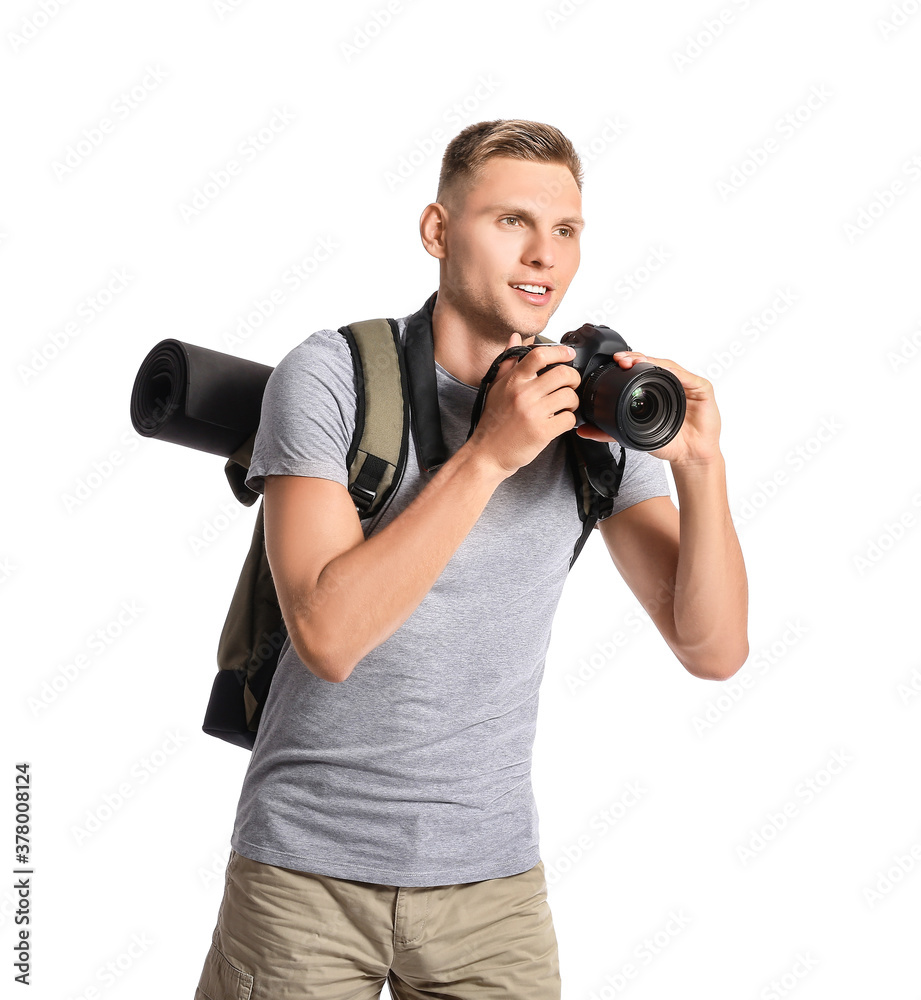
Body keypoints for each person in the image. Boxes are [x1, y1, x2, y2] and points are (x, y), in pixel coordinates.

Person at [193, 119, 748, 1000]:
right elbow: (329, 636)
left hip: (491, 888)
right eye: (509, 222)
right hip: (304, 879)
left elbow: (711, 648)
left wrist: (702, 470)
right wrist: (488, 455)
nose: (542, 257)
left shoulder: (594, 413)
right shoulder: (332, 376)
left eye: (564, 231)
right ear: (437, 232)